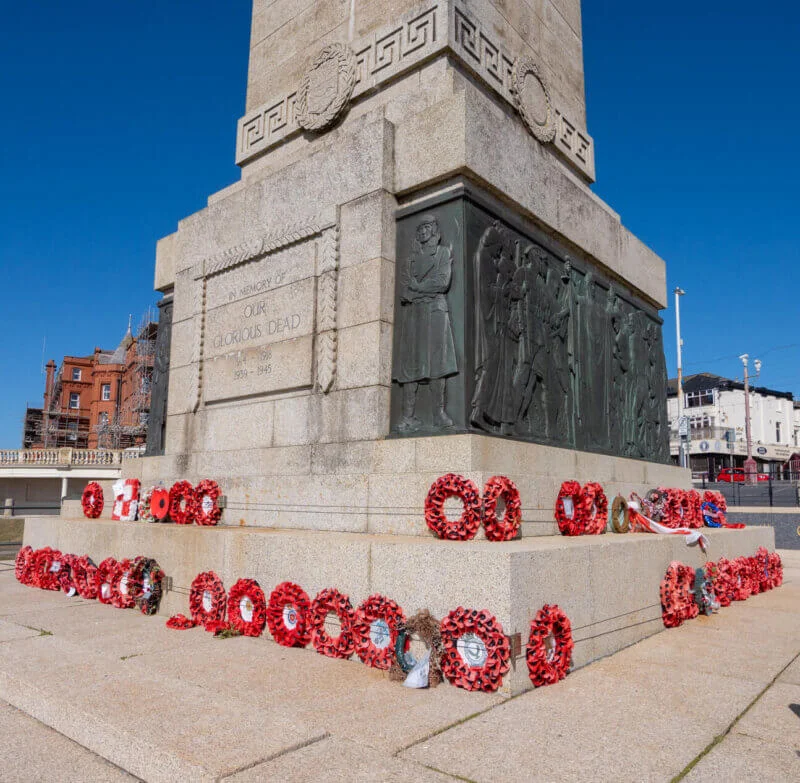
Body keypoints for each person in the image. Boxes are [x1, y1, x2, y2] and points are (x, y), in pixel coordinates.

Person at [394, 214, 458, 432]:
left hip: (435, 312)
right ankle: (407, 417)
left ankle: (438, 413)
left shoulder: (443, 253)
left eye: (426, 227)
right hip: (414, 314)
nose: (422, 231)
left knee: (437, 363)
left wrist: (418, 287)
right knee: (411, 365)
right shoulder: (409, 260)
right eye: (419, 228)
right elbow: (404, 289)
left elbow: (442, 282)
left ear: (433, 230)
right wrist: (415, 290)